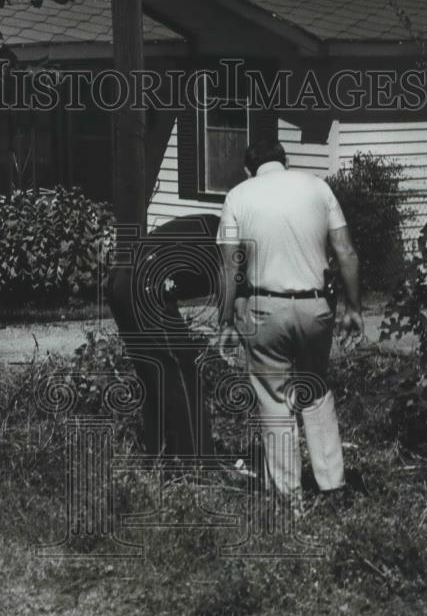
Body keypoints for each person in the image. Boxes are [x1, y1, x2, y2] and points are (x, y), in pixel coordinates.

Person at [216, 139, 363, 501]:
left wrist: (225, 320)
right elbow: (345, 251)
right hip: (316, 306)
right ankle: (332, 484)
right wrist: (354, 307)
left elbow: (229, 264)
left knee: (274, 398)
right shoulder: (318, 187)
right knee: (315, 390)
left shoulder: (239, 195)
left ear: (249, 169)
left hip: (265, 307)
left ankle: (289, 496)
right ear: (285, 161)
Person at [106, 214, 220, 462]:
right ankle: (196, 464)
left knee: (155, 375)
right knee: (182, 370)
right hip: (142, 281)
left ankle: (161, 457)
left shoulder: (212, 228)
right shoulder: (226, 240)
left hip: (121, 279)